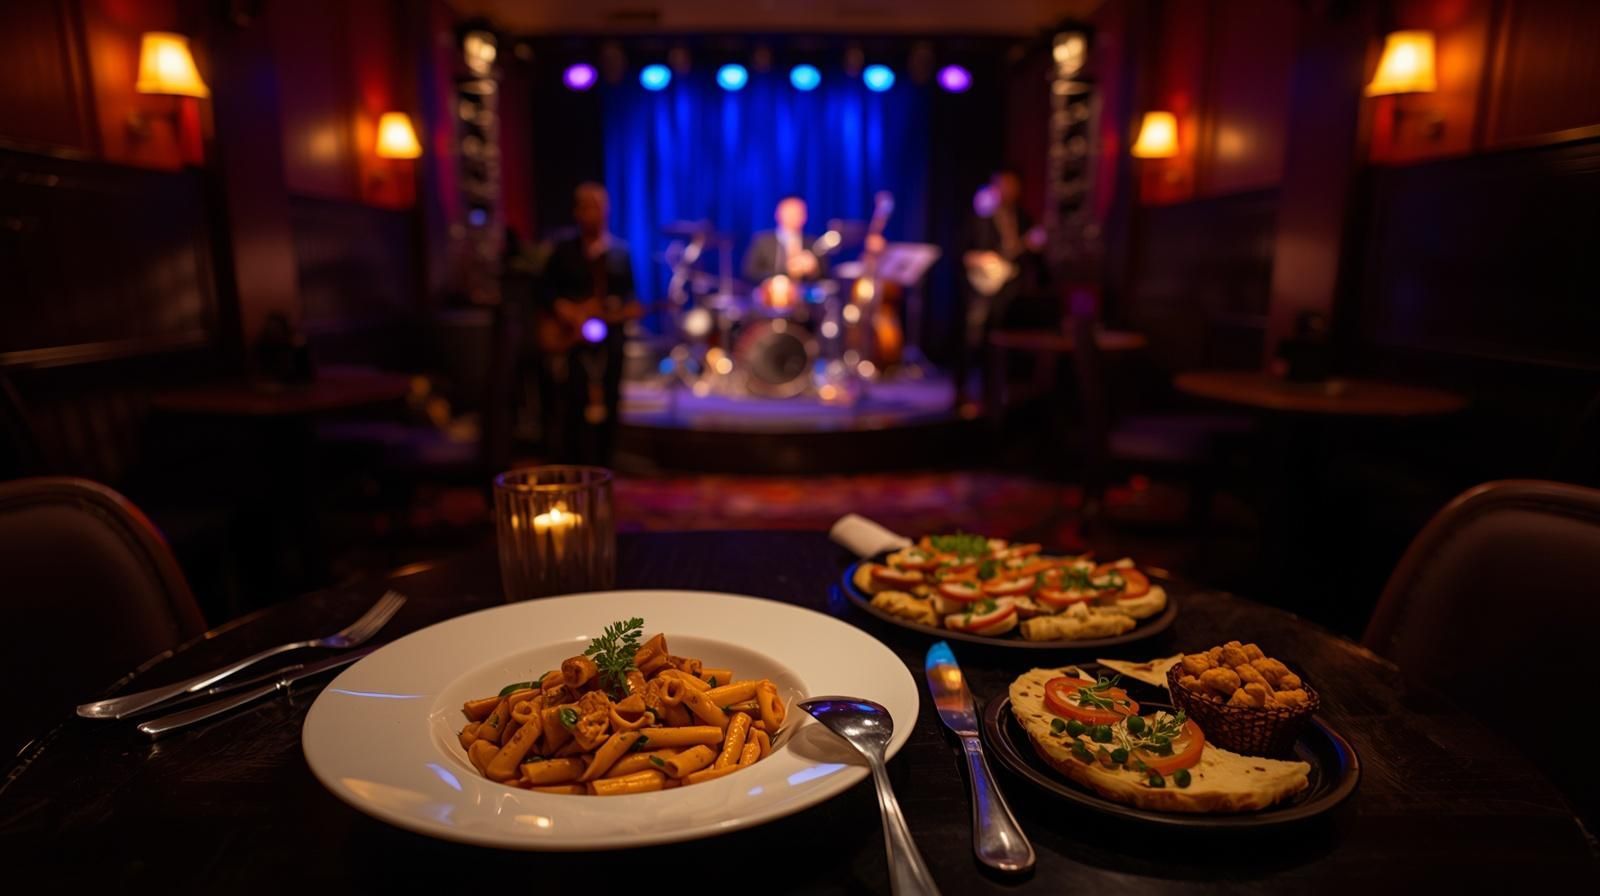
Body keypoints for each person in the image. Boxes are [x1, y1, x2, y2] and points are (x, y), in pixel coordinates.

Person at [536, 182, 641, 466]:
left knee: (610, 396)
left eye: (598, 207)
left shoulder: (619, 252)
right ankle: (574, 461)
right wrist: (565, 309)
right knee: (573, 398)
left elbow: (629, 295)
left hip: (609, 339)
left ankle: (605, 462)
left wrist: (618, 308)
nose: (593, 213)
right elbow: (545, 290)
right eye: (586, 207)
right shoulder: (564, 251)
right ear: (576, 212)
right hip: (572, 338)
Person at [958, 169, 1048, 408]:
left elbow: (1030, 253)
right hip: (981, 284)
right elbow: (962, 252)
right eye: (1002, 184)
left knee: (1002, 338)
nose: (1006, 190)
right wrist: (982, 258)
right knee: (973, 336)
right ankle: (964, 389)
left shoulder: (1023, 217)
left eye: (1011, 185)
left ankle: (999, 392)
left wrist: (1033, 246)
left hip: (1010, 286)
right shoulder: (980, 217)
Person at [742, 196, 829, 284]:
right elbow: (749, 273)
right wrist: (785, 271)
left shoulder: (813, 243)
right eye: (789, 212)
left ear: (805, 216)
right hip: (770, 294)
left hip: (805, 294)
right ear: (777, 214)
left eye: (798, 213)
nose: (793, 217)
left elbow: (825, 277)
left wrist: (813, 270)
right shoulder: (762, 241)